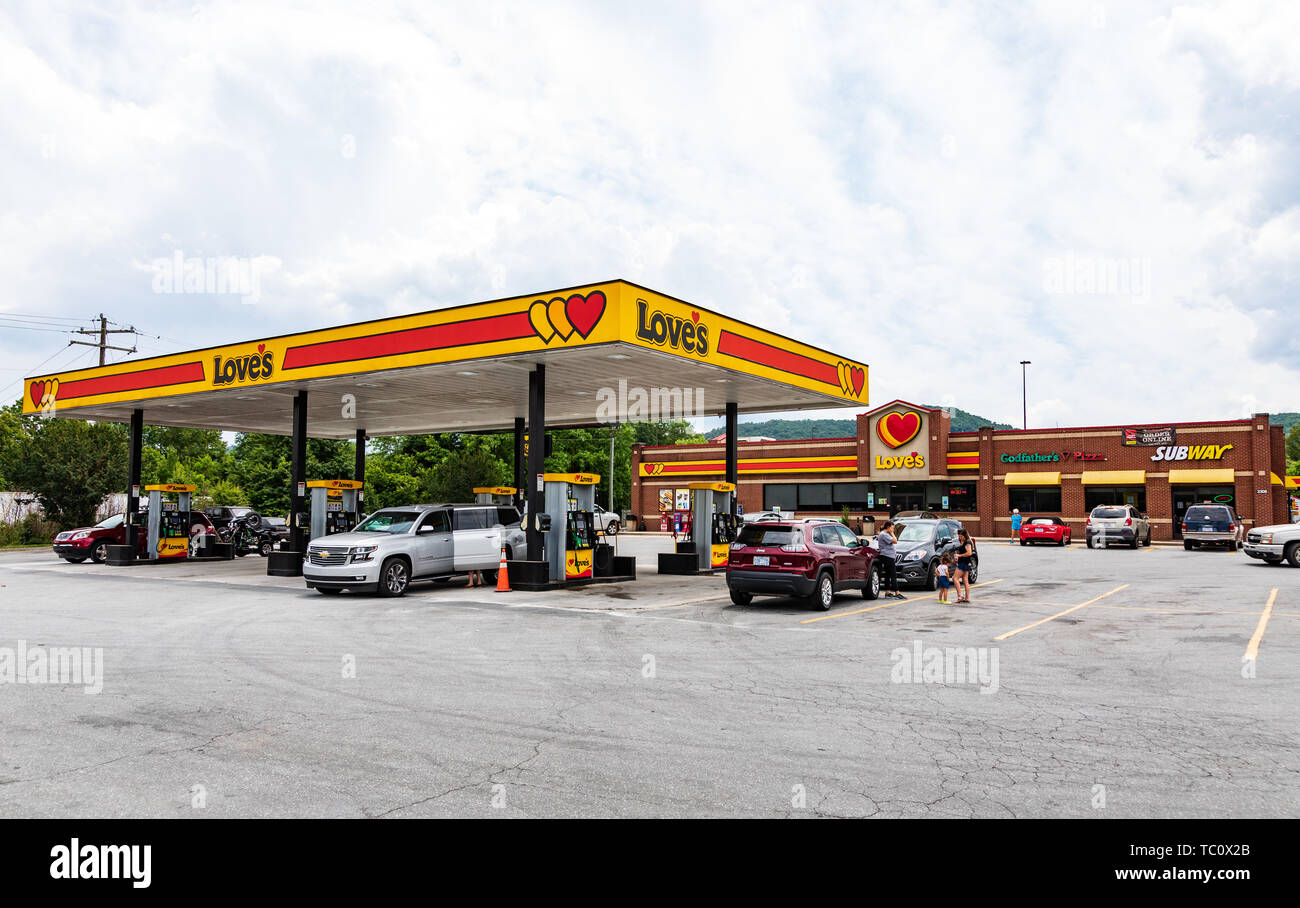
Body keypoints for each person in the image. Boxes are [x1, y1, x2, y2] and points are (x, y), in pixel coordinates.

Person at [876, 520, 904, 600]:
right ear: (888, 527)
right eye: (892, 528)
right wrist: (892, 533)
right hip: (887, 556)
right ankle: (897, 592)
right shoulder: (884, 534)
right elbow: (895, 541)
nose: (893, 529)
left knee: (888, 574)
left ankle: (888, 592)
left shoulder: (884, 534)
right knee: (893, 575)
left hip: (888, 556)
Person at [953, 529, 975, 603]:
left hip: (964, 563)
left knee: (955, 578)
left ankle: (960, 596)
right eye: (959, 536)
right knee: (965, 580)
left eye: (961, 536)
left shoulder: (967, 542)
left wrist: (959, 555)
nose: (960, 537)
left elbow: (969, 553)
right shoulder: (964, 542)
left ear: (965, 535)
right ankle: (967, 597)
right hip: (966, 562)